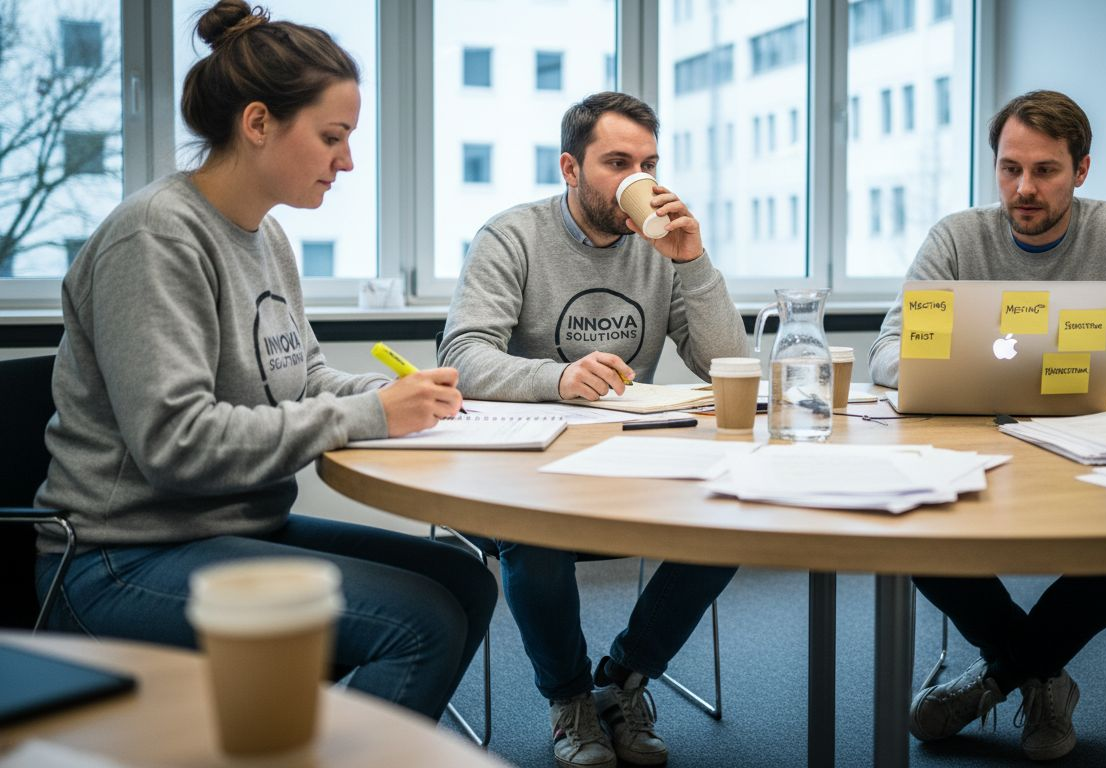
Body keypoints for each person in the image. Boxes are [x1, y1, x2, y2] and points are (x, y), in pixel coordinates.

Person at [33, 0, 496, 722]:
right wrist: (369, 413)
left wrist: (397, 395)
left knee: (465, 581)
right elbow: (176, 445)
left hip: (230, 531)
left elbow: (302, 376)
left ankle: (295, 734)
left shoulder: (266, 237)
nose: (347, 161)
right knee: (420, 623)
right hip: (118, 561)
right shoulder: (155, 238)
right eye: (333, 137)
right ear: (257, 124)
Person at [869, 90, 1106, 761]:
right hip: (972, 448)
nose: (1023, 188)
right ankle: (1042, 674)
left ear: (1081, 170)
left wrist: (1085, 374)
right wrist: (956, 374)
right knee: (911, 530)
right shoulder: (957, 236)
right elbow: (887, 350)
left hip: (1090, 451)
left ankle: (1001, 674)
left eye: (1046, 171)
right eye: (1009, 169)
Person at [440, 91, 749, 768]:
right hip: (530, 463)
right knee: (534, 532)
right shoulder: (511, 235)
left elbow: (728, 364)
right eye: (617, 161)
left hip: (635, 458)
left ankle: (624, 681)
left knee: (735, 513)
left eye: (648, 162)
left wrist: (692, 260)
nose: (639, 178)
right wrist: (557, 378)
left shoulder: (661, 248)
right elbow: (461, 355)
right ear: (571, 169)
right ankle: (571, 699)